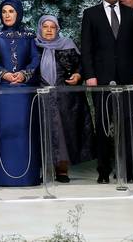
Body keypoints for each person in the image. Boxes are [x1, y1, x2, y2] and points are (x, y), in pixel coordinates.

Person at [80, 0, 133, 184]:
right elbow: (87, 48)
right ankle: (103, 170)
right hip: (101, 79)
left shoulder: (132, 15)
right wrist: (90, 75)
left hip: (127, 78)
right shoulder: (91, 14)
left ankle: (127, 169)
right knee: (103, 126)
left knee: (127, 125)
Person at [0, 0, 41, 186]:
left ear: (19, 13)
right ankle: (0, 176)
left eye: (11, 11)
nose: (7, 15)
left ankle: (27, 176)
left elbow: (35, 58)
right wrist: (5, 74)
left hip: (25, 94)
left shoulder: (29, 35)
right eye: (4, 12)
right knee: (3, 132)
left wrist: (24, 75)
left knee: (24, 133)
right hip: (2, 93)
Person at [34, 15, 94, 183]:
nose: (48, 30)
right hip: (40, 96)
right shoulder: (34, 47)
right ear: (40, 28)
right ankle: (44, 169)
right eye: (45, 27)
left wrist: (78, 75)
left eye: (52, 27)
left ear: (57, 29)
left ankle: (62, 169)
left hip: (65, 98)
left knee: (61, 132)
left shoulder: (67, 45)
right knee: (42, 131)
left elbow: (80, 65)